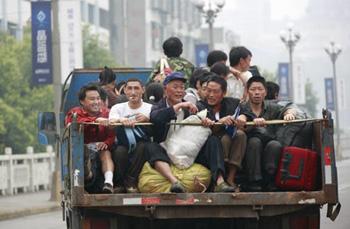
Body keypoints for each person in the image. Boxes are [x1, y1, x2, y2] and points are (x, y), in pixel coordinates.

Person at [145, 72, 236, 193]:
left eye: (182, 88)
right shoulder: (158, 106)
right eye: (175, 87)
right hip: (166, 152)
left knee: (213, 141)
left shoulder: (193, 107)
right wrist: (179, 106)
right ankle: (174, 182)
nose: (179, 91)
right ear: (165, 88)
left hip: (190, 153)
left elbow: (208, 118)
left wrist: (207, 121)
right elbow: (156, 118)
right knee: (151, 147)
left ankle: (220, 182)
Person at [236, 76, 296, 192]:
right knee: (255, 142)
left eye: (260, 89)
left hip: (268, 143)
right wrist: (244, 120)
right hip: (248, 150)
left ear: (265, 92)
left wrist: (289, 114)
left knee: (275, 145)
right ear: (247, 91)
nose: (257, 93)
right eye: (253, 89)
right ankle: (254, 182)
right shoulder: (241, 107)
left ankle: (270, 181)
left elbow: (288, 109)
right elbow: (237, 122)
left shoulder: (272, 107)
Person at [197, 75, 247, 190]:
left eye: (215, 92)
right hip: (208, 148)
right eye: (208, 91)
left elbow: (246, 112)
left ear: (224, 93)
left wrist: (242, 117)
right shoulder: (200, 106)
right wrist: (220, 122)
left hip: (231, 142)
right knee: (221, 140)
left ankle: (230, 178)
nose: (211, 95)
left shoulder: (233, 103)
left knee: (240, 135)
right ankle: (219, 180)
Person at [65, 84, 115, 193]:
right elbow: (73, 124)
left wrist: (105, 143)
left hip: (101, 150)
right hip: (82, 151)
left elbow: (112, 134)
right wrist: (96, 120)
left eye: (98, 99)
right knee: (84, 155)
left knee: (105, 153)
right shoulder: (74, 113)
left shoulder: (107, 113)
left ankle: (109, 182)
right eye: (92, 99)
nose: (96, 102)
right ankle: (87, 173)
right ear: (82, 101)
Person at [109, 78, 153, 193]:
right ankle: (119, 183)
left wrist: (147, 119)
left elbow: (158, 123)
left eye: (136, 88)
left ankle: (131, 181)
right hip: (123, 144)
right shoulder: (117, 108)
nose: (133, 92)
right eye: (130, 88)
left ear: (143, 90)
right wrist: (121, 120)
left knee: (143, 147)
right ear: (125, 91)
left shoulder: (150, 108)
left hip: (142, 145)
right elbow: (111, 122)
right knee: (119, 152)